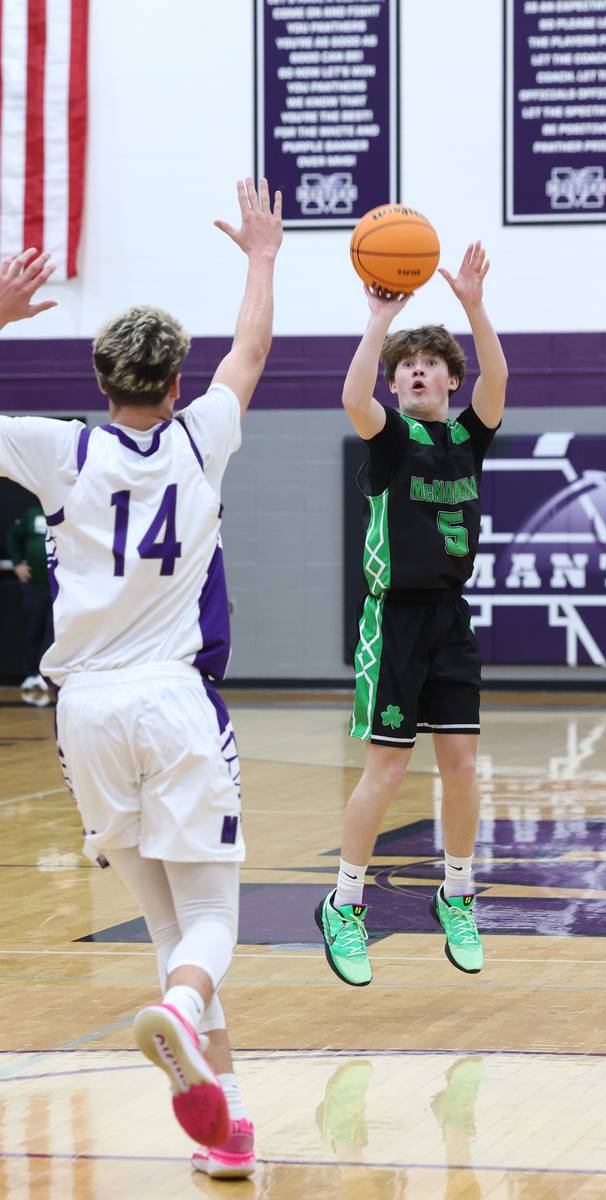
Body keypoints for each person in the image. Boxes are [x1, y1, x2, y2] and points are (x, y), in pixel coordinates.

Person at [0, 177, 282, 1180]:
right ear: (174, 382)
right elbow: (250, 353)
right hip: (172, 699)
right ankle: (175, 1013)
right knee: (206, 927)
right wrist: (260, 256)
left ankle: (225, 1127)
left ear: (101, 375)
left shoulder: (58, 449)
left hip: (82, 713)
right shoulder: (202, 437)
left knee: (167, 926)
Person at [316, 242, 508, 986]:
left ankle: (457, 892)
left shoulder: (469, 436)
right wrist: (378, 320)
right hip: (392, 621)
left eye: (430, 364)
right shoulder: (390, 440)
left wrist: (472, 306)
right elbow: (350, 400)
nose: (417, 371)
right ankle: (345, 904)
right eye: (406, 366)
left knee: (461, 767)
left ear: (449, 381)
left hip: (450, 619)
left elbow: (499, 379)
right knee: (388, 770)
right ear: (395, 385)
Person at [6, 499, 54, 694]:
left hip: (58, 587)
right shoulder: (33, 513)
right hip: (34, 585)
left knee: (53, 632)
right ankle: (29, 674)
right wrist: (17, 563)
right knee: (33, 629)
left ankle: (46, 675)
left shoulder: (67, 510)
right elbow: (12, 535)